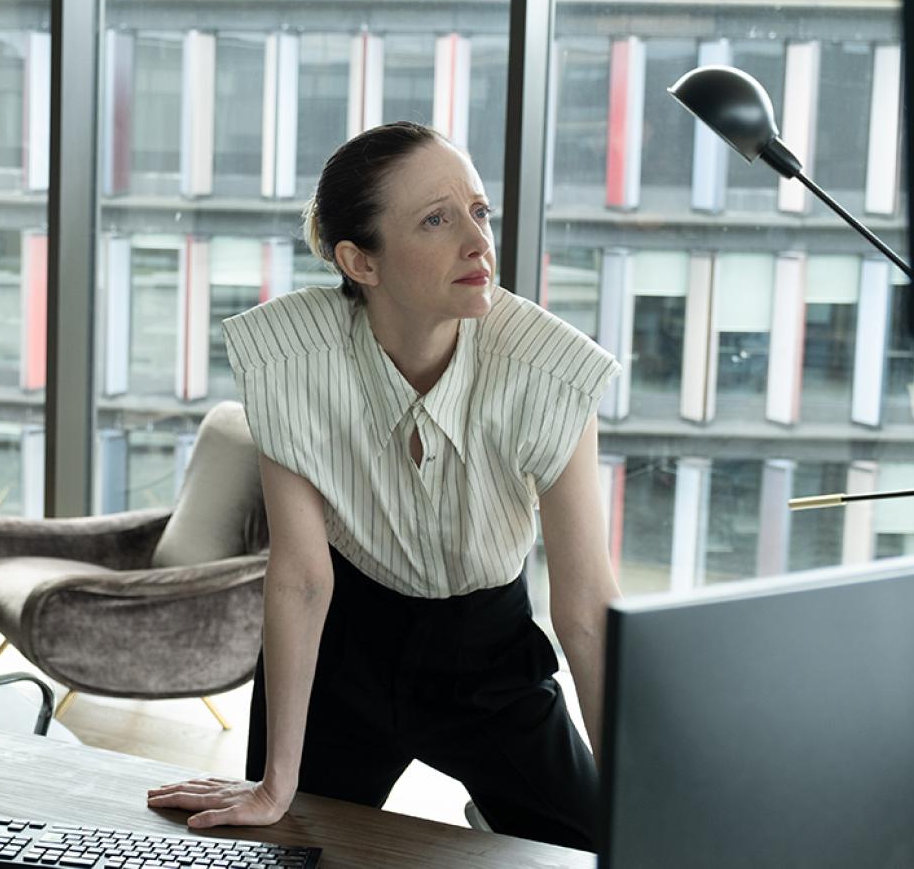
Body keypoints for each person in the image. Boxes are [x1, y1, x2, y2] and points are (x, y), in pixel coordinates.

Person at [146, 121, 621, 851]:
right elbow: (302, 577)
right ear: (359, 261)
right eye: (437, 219)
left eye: (479, 211)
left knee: (606, 842)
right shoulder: (291, 358)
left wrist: (637, 794)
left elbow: (586, 608)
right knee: (284, 848)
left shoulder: (549, 372)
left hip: (489, 659)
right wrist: (277, 783)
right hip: (344, 647)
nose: (478, 242)